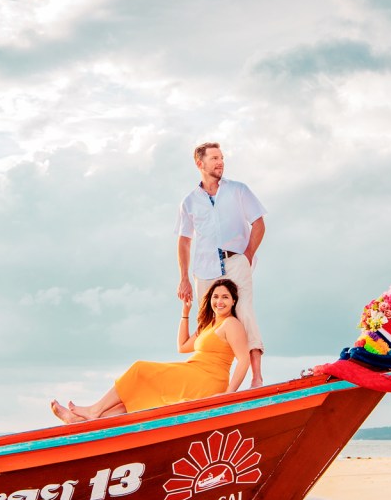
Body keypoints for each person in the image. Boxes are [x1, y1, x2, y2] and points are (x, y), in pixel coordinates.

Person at [52, 278, 250, 422]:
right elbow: (182, 347)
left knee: (140, 369)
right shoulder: (210, 325)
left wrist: (228, 394)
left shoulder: (231, 324)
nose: (219, 301)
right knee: (136, 394)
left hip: (208, 379)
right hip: (193, 371)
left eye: (225, 297)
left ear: (234, 301)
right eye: (216, 297)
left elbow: (243, 360)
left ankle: (94, 411)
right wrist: (185, 312)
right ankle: (87, 421)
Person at [177, 142, 267, 387]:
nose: (220, 162)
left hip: (236, 260)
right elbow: (184, 241)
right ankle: (207, 381)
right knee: (207, 322)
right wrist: (184, 277)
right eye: (214, 158)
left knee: (245, 311)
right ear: (200, 164)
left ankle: (256, 377)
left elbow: (258, 223)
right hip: (204, 268)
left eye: (222, 158)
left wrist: (247, 255)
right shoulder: (189, 202)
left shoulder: (238, 190)